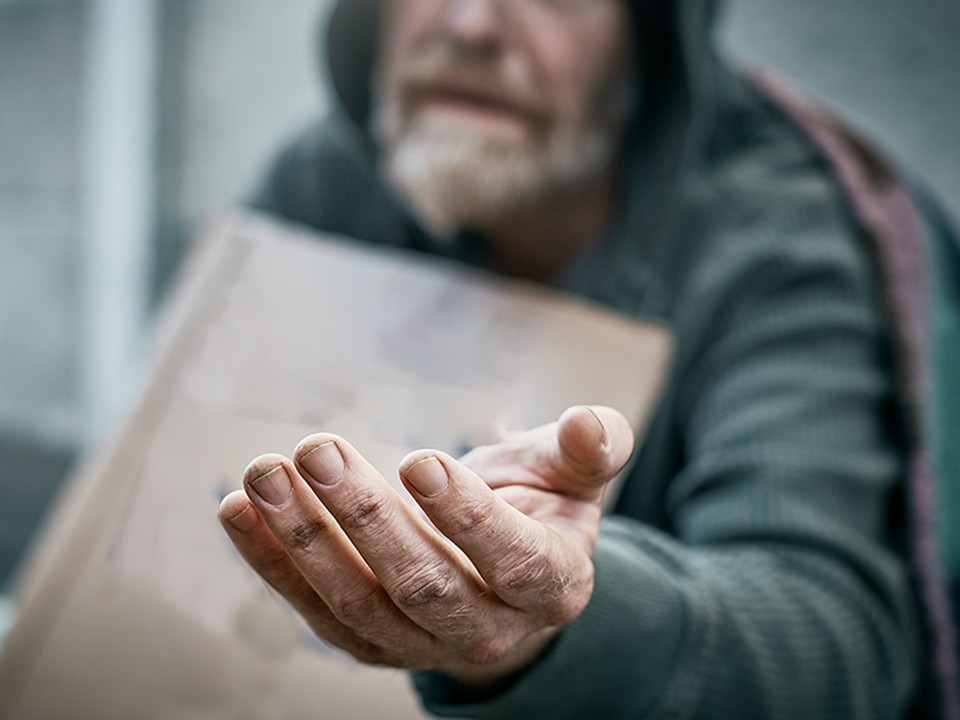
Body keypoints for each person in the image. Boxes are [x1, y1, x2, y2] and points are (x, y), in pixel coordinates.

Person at [216, 0, 957, 717]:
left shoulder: (779, 241)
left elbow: (830, 644)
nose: (469, 24)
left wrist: (550, 621)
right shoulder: (327, 183)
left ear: (652, 27)